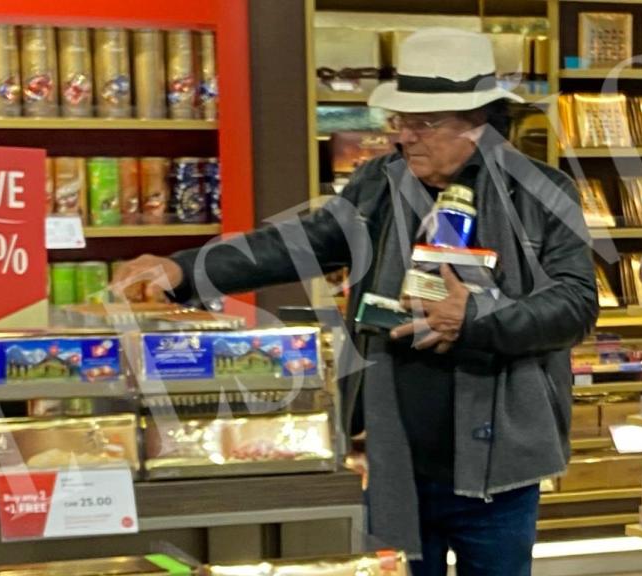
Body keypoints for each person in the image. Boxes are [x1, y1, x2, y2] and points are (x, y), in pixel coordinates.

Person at [113, 28, 598, 576]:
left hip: (499, 470)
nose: (403, 137)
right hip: (395, 462)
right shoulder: (379, 182)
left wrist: (478, 318)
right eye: (400, 121)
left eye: (423, 123)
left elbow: (575, 303)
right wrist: (184, 269)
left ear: (478, 123)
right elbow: (302, 242)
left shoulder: (541, 191)